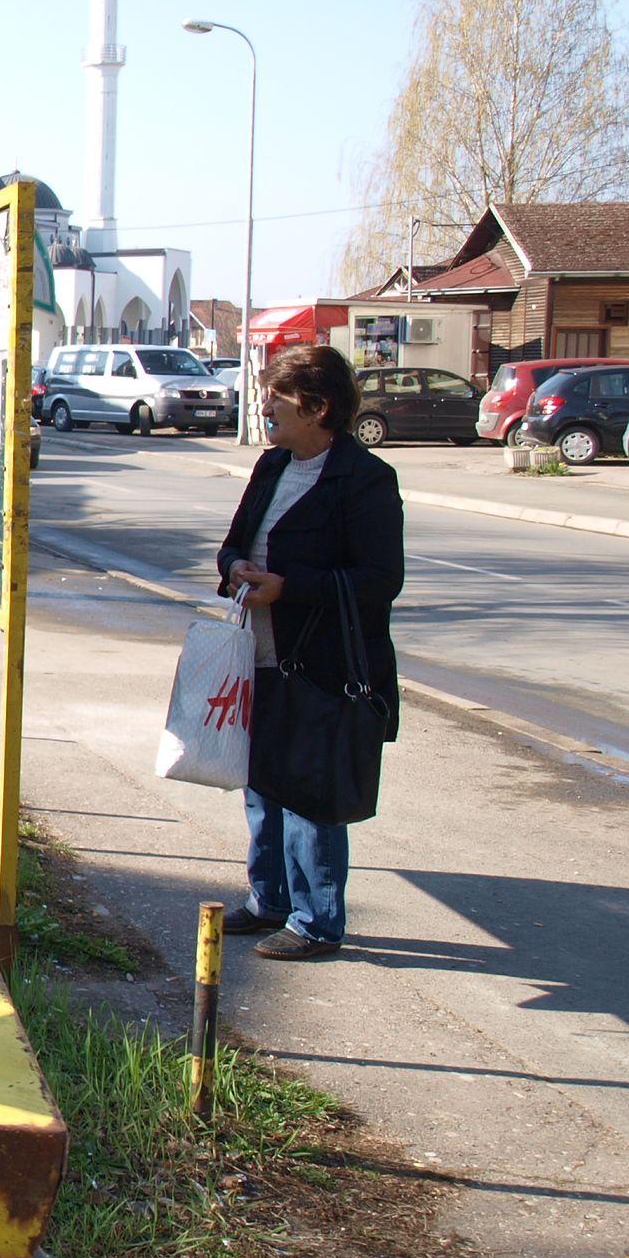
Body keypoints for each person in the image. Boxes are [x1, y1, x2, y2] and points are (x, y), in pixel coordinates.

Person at [212, 343, 404, 961]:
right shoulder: (271, 466)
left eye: (278, 396)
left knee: (309, 793)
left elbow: (380, 580)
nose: (265, 405)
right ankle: (268, 899)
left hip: (322, 666)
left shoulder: (366, 479)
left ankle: (317, 922)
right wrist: (236, 566)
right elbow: (233, 544)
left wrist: (290, 590)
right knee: (261, 786)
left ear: (318, 408)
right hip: (258, 654)